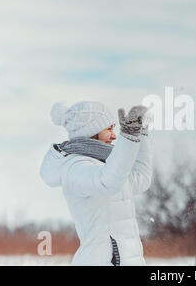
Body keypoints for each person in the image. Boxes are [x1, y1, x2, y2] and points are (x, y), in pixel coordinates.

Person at [40, 101, 152, 266]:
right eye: (109, 129)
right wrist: (128, 137)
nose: (114, 136)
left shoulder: (105, 165)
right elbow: (108, 182)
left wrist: (141, 134)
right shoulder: (75, 168)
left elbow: (141, 179)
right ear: (91, 131)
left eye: (115, 129)